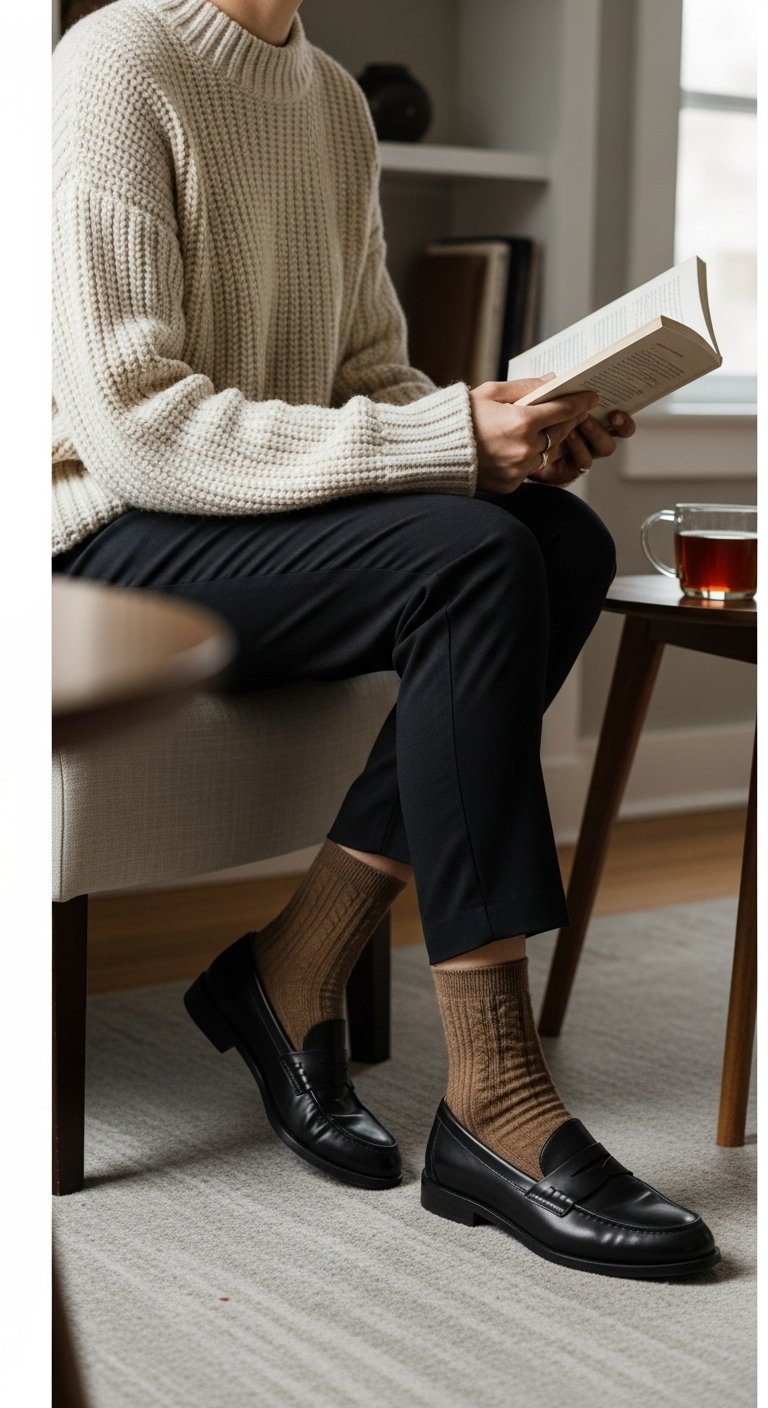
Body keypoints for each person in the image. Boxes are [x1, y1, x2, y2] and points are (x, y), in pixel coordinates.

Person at [52, 0, 720, 1279]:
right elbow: (136, 426)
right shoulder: (114, 65)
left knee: (557, 538)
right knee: (473, 555)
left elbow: (373, 373)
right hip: (102, 541)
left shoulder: (333, 100)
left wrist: (518, 431)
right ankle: (496, 1096)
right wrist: (447, 451)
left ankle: (294, 965)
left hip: (253, 522)